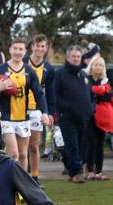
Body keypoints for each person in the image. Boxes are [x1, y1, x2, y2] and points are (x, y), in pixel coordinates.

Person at [0, 38, 49, 169]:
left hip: (23, 118)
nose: (17, 52)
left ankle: (22, 185)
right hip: (6, 118)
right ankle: (8, 182)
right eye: (15, 48)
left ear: (25, 51)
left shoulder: (29, 71)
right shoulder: (0, 70)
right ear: (10, 50)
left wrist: (45, 113)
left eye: (20, 49)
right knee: (13, 153)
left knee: (22, 155)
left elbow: (38, 94)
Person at [55, 45, 93, 183]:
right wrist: (67, 108)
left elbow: (90, 94)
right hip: (67, 117)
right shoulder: (60, 74)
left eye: (78, 56)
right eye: (73, 56)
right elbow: (55, 94)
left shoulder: (83, 74)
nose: (76, 59)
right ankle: (76, 173)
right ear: (68, 57)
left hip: (83, 117)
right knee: (72, 146)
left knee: (83, 146)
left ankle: (73, 171)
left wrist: (90, 108)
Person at [25, 34, 56, 184]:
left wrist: (48, 113)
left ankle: (35, 178)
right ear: (32, 46)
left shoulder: (49, 69)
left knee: (34, 146)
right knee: (19, 148)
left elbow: (50, 93)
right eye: (37, 45)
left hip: (37, 111)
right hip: (19, 110)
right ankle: (19, 177)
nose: (40, 49)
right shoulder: (23, 63)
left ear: (46, 48)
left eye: (43, 46)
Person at [85, 56, 111, 180]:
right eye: (96, 64)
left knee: (100, 144)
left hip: (101, 117)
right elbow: (87, 94)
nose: (98, 67)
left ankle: (99, 171)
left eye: (101, 65)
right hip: (89, 116)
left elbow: (108, 96)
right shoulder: (86, 79)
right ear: (91, 66)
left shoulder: (105, 81)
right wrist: (99, 91)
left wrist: (97, 93)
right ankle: (89, 171)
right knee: (92, 143)